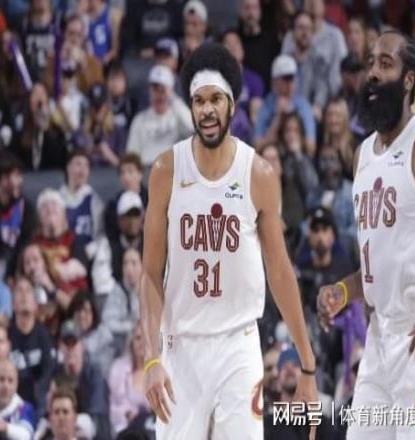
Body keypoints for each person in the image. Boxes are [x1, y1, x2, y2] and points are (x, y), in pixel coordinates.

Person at [141, 42, 317, 439]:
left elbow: (280, 272)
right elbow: (150, 273)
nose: (207, 110)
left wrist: (307, 363)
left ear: (232, 105)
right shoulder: (166, 170)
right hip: (181, 345)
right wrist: (151, 358)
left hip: (239, 344)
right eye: (199, 100)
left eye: (215, 99)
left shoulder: (258, 174)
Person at [318, 31, 415, 438]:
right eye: (370, 62)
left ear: (408, 79)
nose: (372, 72)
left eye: (385, 64)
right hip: (379, 340)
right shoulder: (362, 157)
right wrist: (343, 291)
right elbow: (378, 266)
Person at [54, 320, 111, 440]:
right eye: (66, 343)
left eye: (74, 343)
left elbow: (97, 417)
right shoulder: (53, 375)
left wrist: (68, 423)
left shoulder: (94, 375)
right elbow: (43, 412)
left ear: (82, 345)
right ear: (60, 346)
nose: (70, 349)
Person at [126, 64, 193, 166]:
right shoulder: (140, 120)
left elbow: (193, 129)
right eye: (155, 89)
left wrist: (172, 97)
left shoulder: (178, 116)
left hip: (173, 169)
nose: (159, 95)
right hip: (147, 169)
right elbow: (132, 154)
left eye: (162, 90)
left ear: (171, 91)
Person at [9, 277, 54, 418]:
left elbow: (48, 372)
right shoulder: (5, 337)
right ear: (13, 305)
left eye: (28, 291)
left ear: (35, 305)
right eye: (19, 291)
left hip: (38, 400)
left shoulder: (45, 336)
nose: (24, 295)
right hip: (12, 398)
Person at [254, 54, 317, 154]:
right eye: (285, 79)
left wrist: (294, 134)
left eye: (292, 78)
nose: (290, 83)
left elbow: (311, 147)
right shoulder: (266, 106)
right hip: (274, 157)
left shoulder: (303, 105)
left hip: (297, 156)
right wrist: (278, 118)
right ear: (275, 82)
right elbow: (258, 147)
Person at [109, 322, 151, 435]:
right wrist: (128, 413)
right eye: (138, 338)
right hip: (127, 428)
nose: (142, 342)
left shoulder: (159, 369)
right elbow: (115, 404)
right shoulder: (118, 368)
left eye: (146, 338)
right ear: (131, 342)